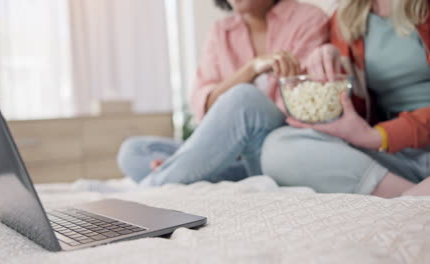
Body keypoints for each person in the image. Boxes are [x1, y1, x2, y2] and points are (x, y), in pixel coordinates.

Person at [118, 0, 329, 186]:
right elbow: (207, 107)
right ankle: (183, 172)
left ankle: (158, 185)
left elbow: (307, 106)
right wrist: (252, 68)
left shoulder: (308, 19)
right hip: (228, 154)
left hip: (273, 148)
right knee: (133, 151)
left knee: (244, 97)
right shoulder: (221, 31)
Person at [261, 0, 430, 198]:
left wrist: (379, 136)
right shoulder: (346, 17)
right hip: (393, 151)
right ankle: (411, 195)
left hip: (395, 138)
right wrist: (337, 67)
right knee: (279, 147)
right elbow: (355, 108)